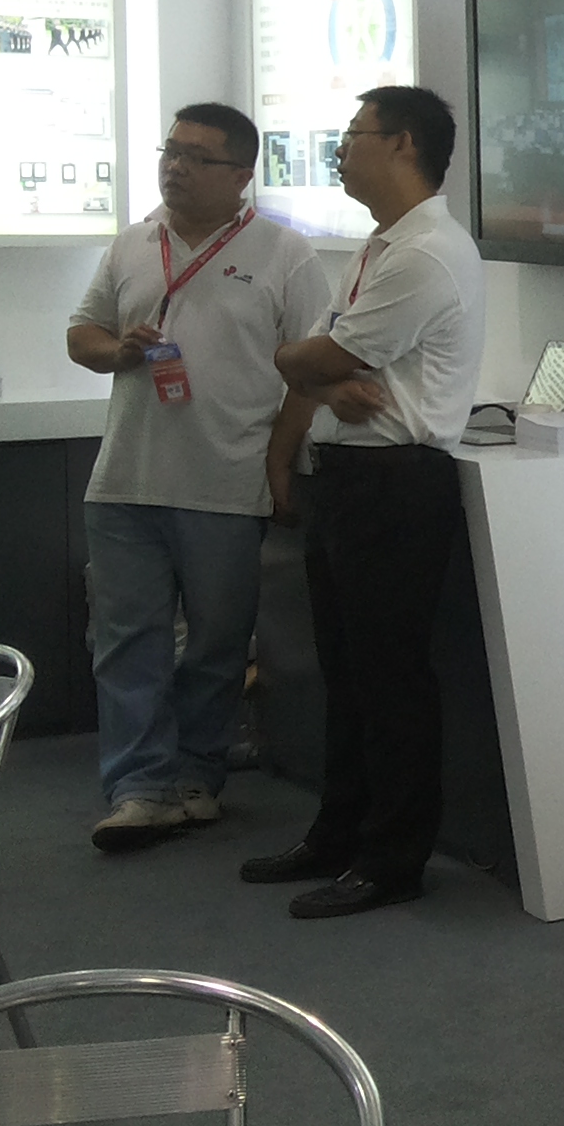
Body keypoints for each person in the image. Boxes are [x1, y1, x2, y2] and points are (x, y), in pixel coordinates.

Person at [239, 85, 484, 918]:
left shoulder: (427, 254)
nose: (339, 150)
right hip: (349, 479)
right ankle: (338, 833)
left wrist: (314, 367)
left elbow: (310, 358)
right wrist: (319, 372)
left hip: (396, 483)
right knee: (345, 673)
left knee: (390, 679)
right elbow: (318, 362)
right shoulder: (382, 245)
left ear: (404, 143)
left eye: (353, 135)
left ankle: (392, 858)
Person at [67, 103, 330, 852]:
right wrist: (117, 350)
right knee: (126, 643)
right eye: (171, 151)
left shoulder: (285, 254)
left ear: (242, 175)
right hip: (124, 480)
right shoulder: (133, 242)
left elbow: (311, 372)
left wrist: (279, 462)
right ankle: (137, 787)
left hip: (226, 481)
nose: (176, 167)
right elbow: (81, 334)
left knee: (217, 644)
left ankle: (195, 779)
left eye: (197, 157)